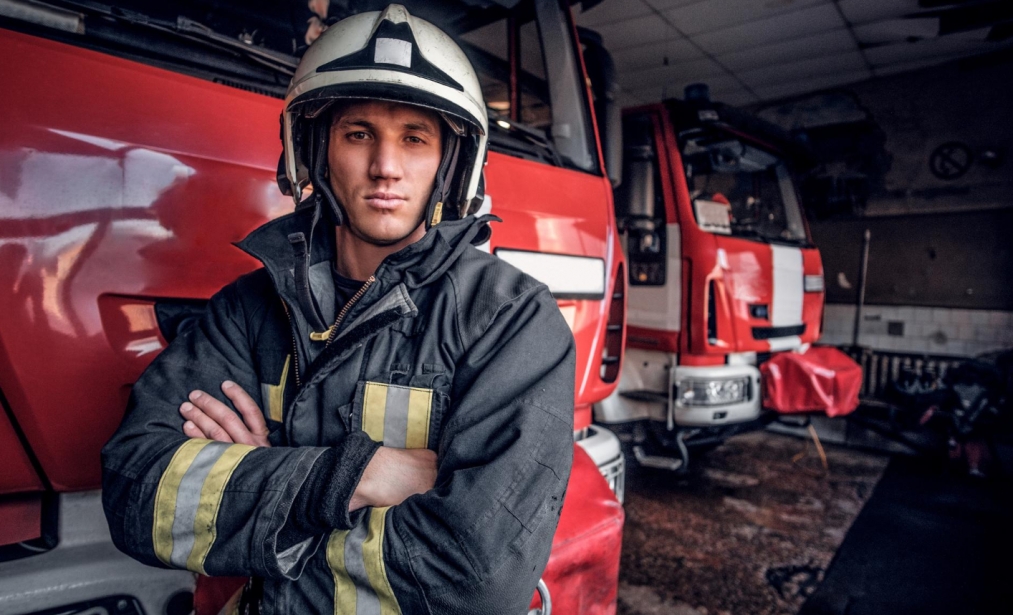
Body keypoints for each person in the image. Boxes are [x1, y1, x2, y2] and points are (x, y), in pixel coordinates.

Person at [101, 5, 575, 614]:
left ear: (452, 164)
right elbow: (139, 493)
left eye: (414, 138)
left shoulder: (512, 322)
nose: (386, 166)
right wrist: (356, 476)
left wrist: (266, 483)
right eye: (358, 134)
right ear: (315, 150)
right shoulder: (246, 313)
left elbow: (475, 580)